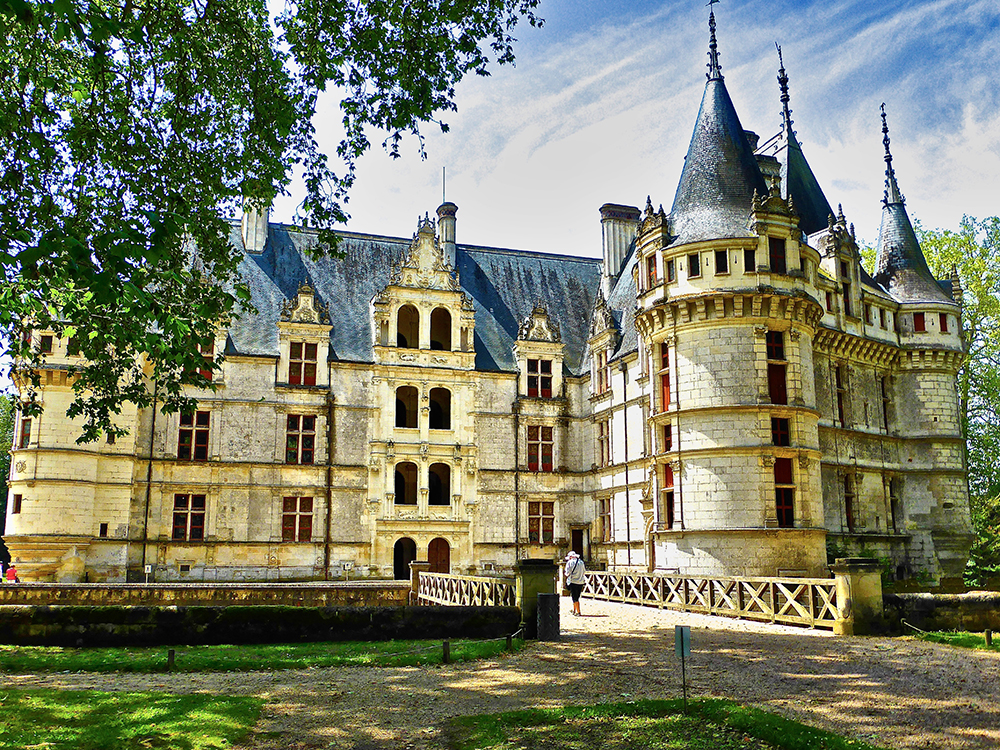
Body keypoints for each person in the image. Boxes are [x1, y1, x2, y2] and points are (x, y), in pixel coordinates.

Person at [563, 551, 586, 617]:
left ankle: (578, 612)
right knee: (577, 597)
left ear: (570, 557)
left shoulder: (569, 562)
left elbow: (567, 572)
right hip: (581, 582)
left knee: (574, 597)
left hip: (573, 582)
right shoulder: (581, 562)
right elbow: (584, 571)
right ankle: (574, 610)